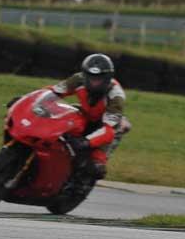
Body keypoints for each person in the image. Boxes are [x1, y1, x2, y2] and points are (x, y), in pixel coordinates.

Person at [49, 53, 131, 192]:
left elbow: (108, 131)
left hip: (108, 126)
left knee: (95, 167)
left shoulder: (116, 96)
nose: (94, 82)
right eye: (91, 77)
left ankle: (81, 186)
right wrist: (29, 99)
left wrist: (86, 142)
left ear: (107, 78)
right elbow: (54, 92)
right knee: (59, 119)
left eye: (98, 79)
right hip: (86, 115)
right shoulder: (77, 79)